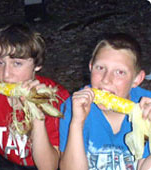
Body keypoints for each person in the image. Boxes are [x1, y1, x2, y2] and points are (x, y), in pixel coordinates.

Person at [0, 23, 70, 170]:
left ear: (37, 64)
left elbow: (49, 166)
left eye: (17, 63)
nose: (6, 74)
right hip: (5, 163)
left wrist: (37, 117)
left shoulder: (58, 98)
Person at [59, 33, 151, 170]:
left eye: (120, 72)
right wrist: (77, 122)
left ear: (137, 79)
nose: (106, 79)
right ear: (90, 67)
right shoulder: (73, 107)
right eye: (100, 68)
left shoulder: (147, 107)